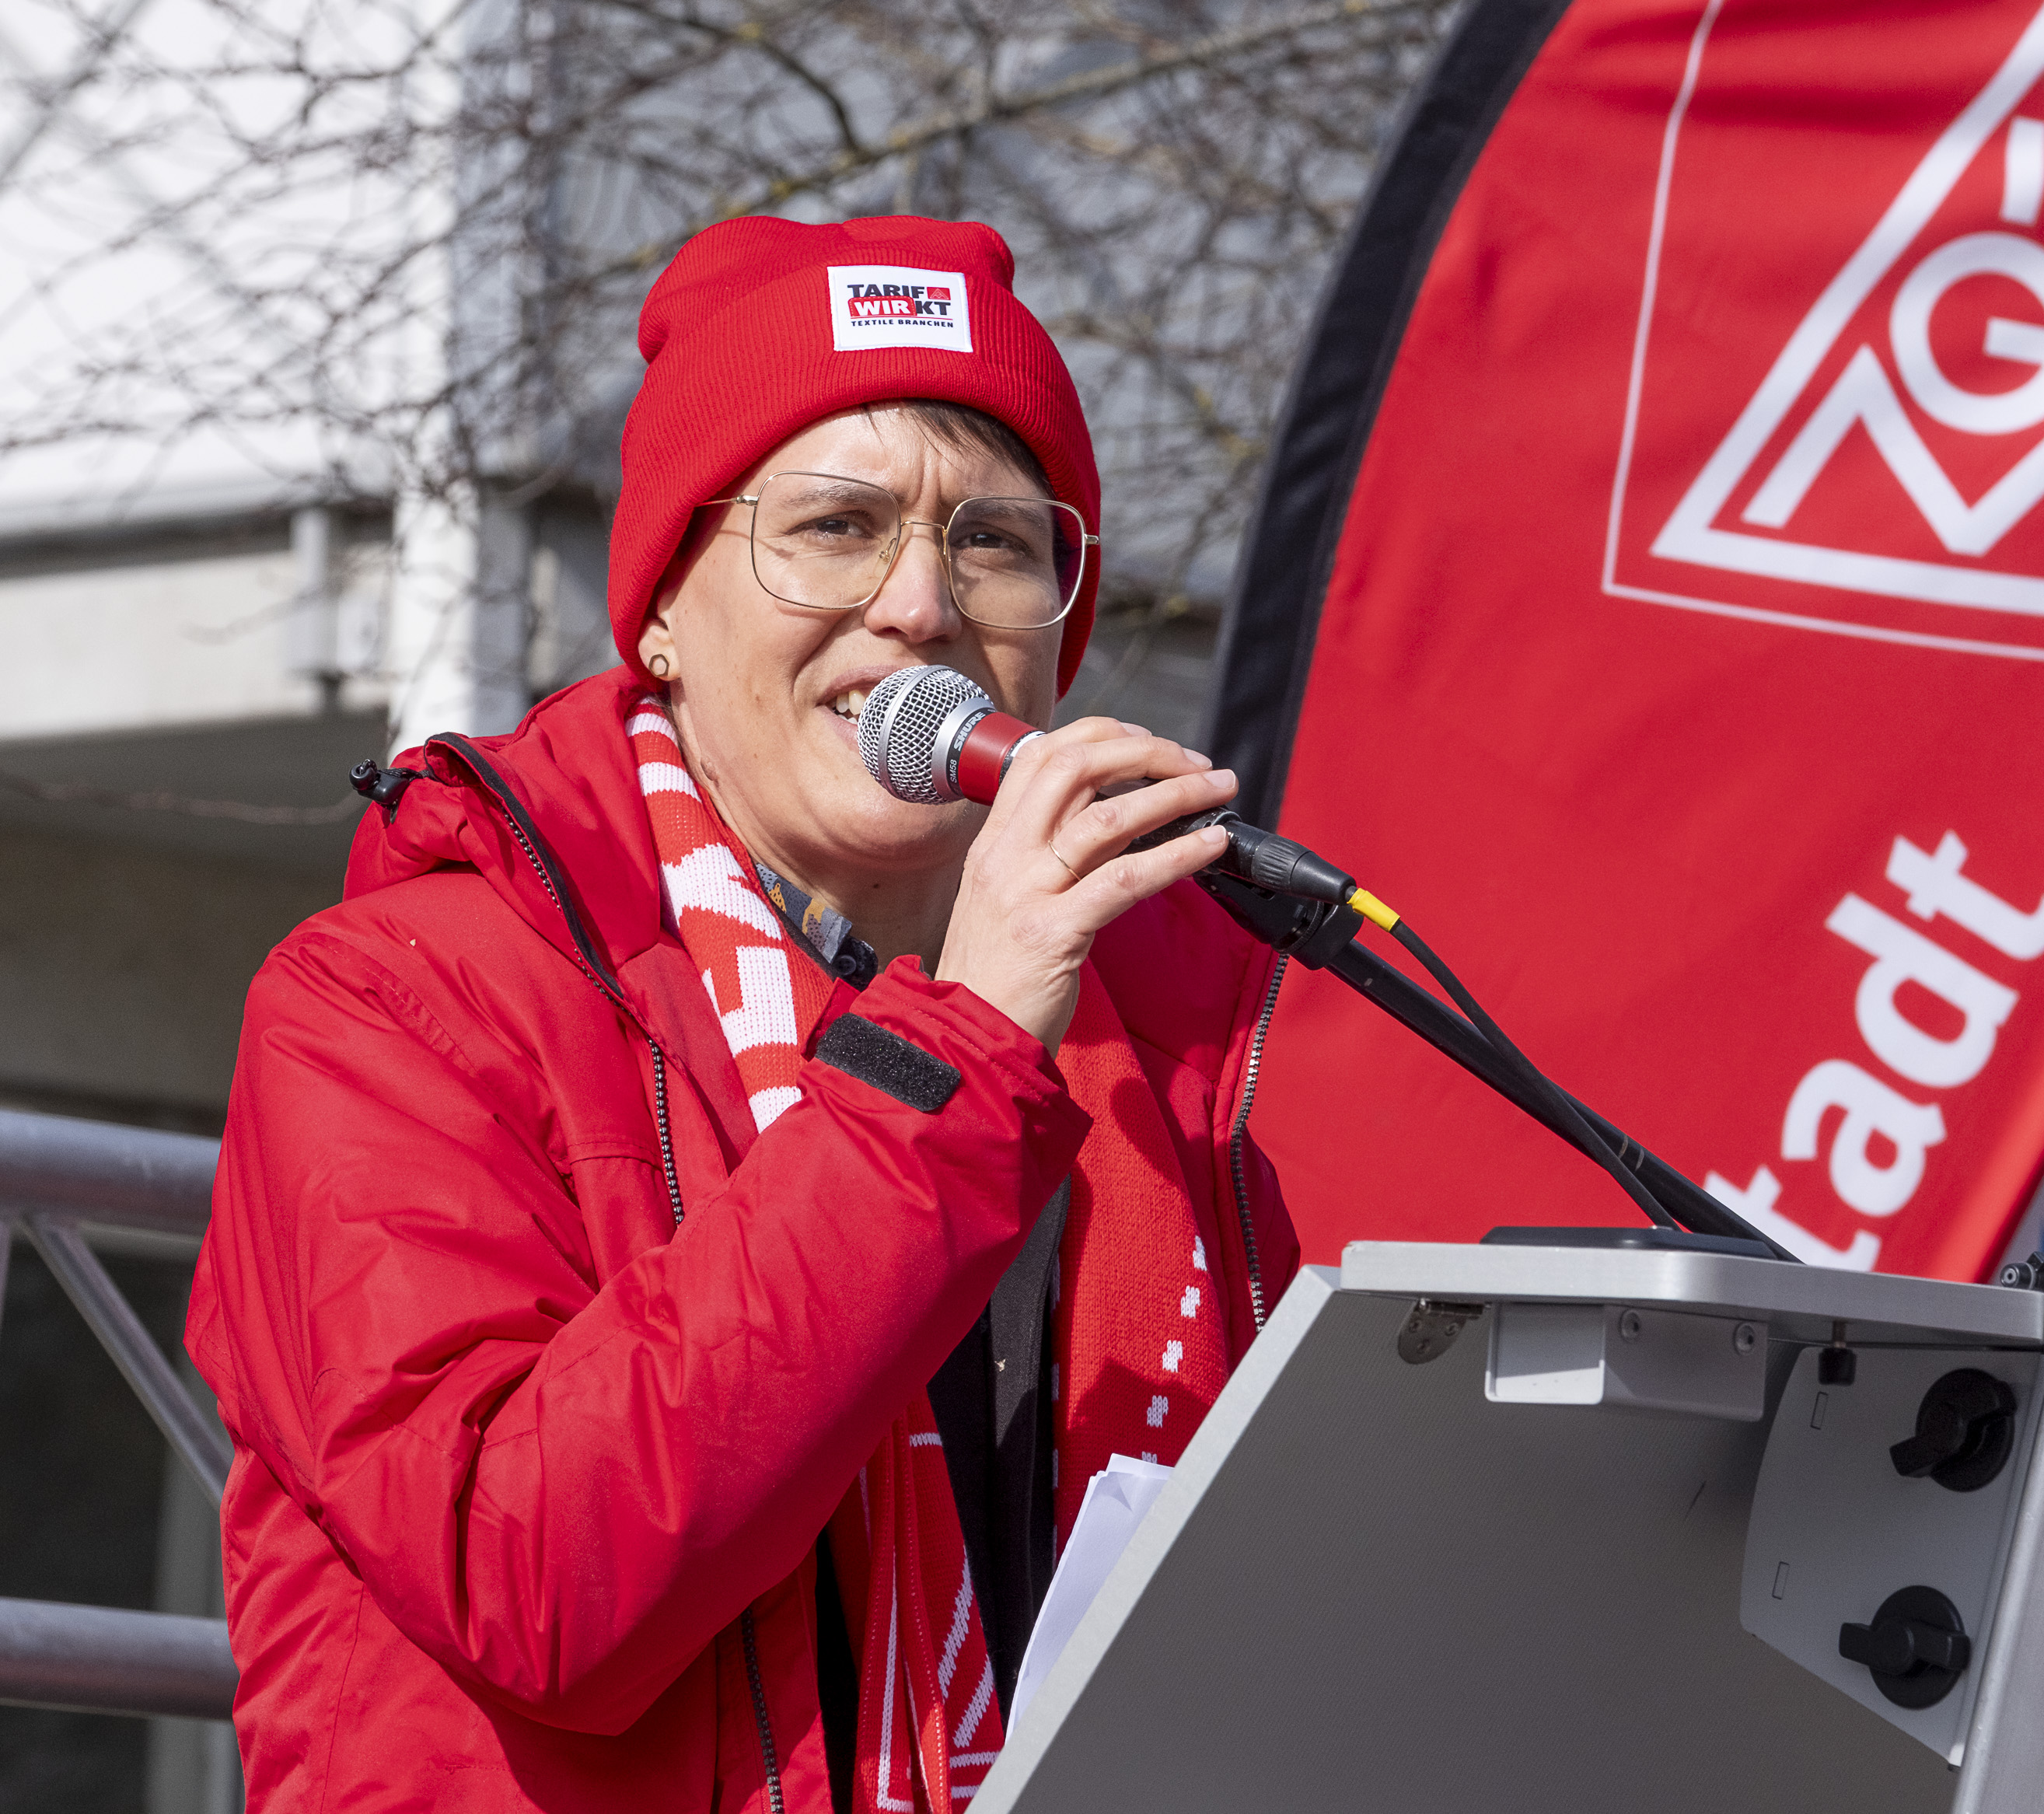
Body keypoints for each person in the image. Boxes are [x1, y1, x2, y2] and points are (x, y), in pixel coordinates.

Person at [186, 214, 1298, 1814]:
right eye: (836, 526)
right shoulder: (388, 1002)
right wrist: (963, 1049)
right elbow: (538, 1585)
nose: (920, 603)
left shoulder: (1189, 1036)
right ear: (661, 612)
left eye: (994, 540)